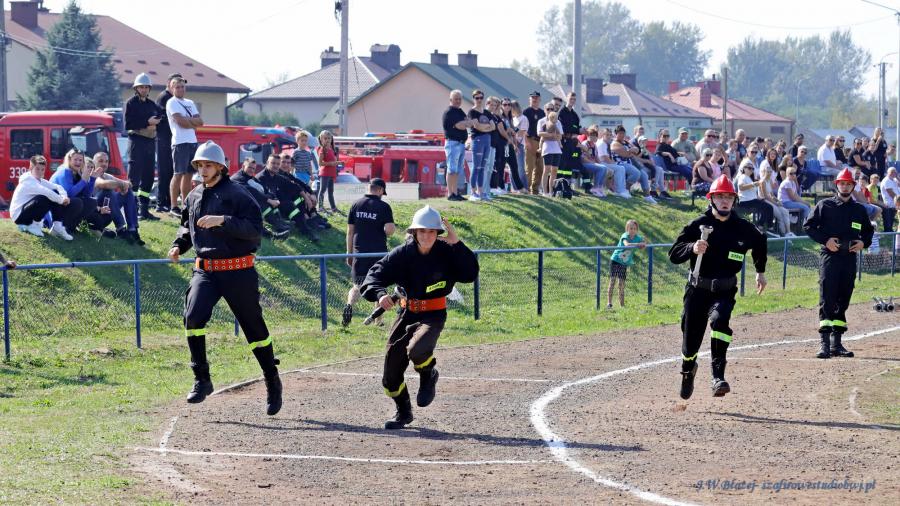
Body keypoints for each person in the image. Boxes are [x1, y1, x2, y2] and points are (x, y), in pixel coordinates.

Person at [167, 140, 282, 416]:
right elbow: (187, 229)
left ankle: (272, 380)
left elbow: (254, 229)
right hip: (206, 271)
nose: (203, 170)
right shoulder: (193, 196)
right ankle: (202, 379)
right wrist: (178, 245)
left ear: (220, 167)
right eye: (200, 165)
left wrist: (223, 220)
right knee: (193, 317)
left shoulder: (238, 194)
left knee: (254, 329)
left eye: (208, 165)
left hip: (238, 270)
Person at [360, 206, 479, 429]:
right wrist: (380, 294)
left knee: (418, 349)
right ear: (414, 232)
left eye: (432, 231)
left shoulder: (448, 251)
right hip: (406, 313)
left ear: (438, 233)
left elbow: (470, 274)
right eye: (422, 231)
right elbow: (374, 276)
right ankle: (403, 413)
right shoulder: (402, 254)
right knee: (390, 373)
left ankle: (428, 374)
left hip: (434, 314)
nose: (426, 236)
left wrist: (457, 244)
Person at [669, 175, 768, 399]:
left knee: (720, 321)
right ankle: (688, 370)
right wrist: (692, 248)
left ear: (734, 200)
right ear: (711, 199)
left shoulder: (743, 228)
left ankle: (717, 377)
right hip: (697, 290)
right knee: (690, 342)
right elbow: (674, 254)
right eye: (720, 196)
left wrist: (760, 271)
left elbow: (760, 241)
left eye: (729, 197)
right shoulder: (697, 225)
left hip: (724, 290)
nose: (725, 201)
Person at [803, 168, 874, 359]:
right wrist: (825, 240)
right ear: (837, 185)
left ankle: (837, 344)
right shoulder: (824, 205)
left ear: (853, 186)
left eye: (848, 184)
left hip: (849, 259)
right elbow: (808, 226)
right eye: (842, 183)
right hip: (830, 258)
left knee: (844, 297)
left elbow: (868, 231)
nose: (845, 186)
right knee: (828, 296)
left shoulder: (859, 209)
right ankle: (824, 344)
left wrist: (863, 243)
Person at [343, 178, 396, 327]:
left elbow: (350, 231)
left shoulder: (356, 204)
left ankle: (349, 305)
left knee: (357, 285)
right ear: (380, 190)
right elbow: (389, 230)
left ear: (369, 187)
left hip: (359, 253)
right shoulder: (384, 207)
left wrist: (349, 253)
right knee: (380, 286)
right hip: (378, 255)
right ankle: (378, 320)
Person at [10, 155, 80, 240]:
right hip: (19, 217)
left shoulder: (39, 180)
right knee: (44, 198)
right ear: (31, 168)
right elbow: (47, 192)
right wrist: (62, 200)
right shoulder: (28, 181)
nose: (40, 172)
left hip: (26, 212)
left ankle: (57, 226)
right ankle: (30, 225)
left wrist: (64, 197)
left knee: (53, 193)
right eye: (37, 169)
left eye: (42, 169)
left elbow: (58, 187)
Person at [125, 73, 164, 221]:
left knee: (148, 177)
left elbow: (161, 116)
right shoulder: (131, 104)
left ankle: (144, 210)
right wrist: (148, 123)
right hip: (136, 142)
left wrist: (158, 122)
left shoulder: (152, 105)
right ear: (136, 88)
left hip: (150, 143)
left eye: (146, 87)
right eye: (141, 87)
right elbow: (128, 124)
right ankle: (132, 209)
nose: (144, 89)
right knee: (134, 177)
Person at [166, 76, 203, 217]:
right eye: (177, 87)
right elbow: (181, 122)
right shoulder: (171, 102)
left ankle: (185, 205)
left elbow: (200, 122)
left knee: (189, 174)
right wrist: (191, 121)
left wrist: (188, 120)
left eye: (182, 86)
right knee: (178, 174)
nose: (181, 89)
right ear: (172, 88)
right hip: (180, 143)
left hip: (192, 142)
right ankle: (173, 206)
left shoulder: (190, 102)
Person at [230, 158, 292, 240]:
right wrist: (268, 200)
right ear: (243, 166)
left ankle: (280, 223)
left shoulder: (248, 177)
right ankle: (274, 235)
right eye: (249, 167)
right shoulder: (238, 177)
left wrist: (273, 197)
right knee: (258, 206)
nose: (251, 170)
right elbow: (250, 190)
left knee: (263, 200)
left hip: (242, 204)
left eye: (253, 168)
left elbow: (263, 188)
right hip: (233, 207)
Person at [93, 152, 144, 245]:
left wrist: (125, 185)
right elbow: (105, 184)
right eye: (101, 161)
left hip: (107, 212)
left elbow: (128, 184)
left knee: (128, 192)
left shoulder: (107, 176)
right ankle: (120, 229)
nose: (104, 164)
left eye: (106, 161)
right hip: (96, 215)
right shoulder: (93, 175)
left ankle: (133, 230)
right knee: (108, 191)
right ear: (94, 163)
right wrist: (121, 184)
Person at [154, 74, 180, 213]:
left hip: (172, 140)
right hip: (163, 140)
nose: (178, 87)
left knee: (172, 172)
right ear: (169, 83)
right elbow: (161, 118)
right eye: (176, 83)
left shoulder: (175, 99)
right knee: (164, 172)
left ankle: (170, 202)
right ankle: (161, 203)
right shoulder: (164, 97)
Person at [607, 219, 645, 308]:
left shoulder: (638, 237)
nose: (633, 230)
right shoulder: (625, 235)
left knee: (621, 284)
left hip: (624, 263)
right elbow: (626, 244)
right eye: (631, 228)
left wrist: (642, 244)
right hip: (615, 260)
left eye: (634, 229)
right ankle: (609, 303)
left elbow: (643, 245)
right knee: (612, 281)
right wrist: (638, 244)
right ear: (627, 229)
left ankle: (622, 305)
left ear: (637, 229)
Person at [442, 90, 472, 201]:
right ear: (451, 100)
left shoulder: (459, 111)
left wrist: (467, 123)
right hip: (452, 144)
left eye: (460, 99)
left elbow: (468, 122)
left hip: (460, 144)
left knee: (457, 170)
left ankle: (455, 193)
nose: (458, 101)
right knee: (452, 170)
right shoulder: (449, 113)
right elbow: (461, 125)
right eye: (456, 99)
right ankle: (450, 194)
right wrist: (466, 123)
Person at [467, 89, 495, 201]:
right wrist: (486, 127)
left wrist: (484, 128)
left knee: (483, 167)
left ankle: (481, 192)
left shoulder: (487, 112)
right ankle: (473, 192)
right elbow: (477, 126)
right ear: (473, 99)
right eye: (477, 98)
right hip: (477, 140)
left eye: (481, 98)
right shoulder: (472, 112)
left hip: (487, 140)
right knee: (476, 167)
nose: (479, 100)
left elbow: (493, 127)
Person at [735, 158, 772, 230]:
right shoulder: (742, 176)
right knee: (768, 207)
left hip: (752, 200)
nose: (751, 170)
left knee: (769, 207)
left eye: (752, 169)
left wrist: (759, 197)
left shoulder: (749, 178)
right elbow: (741, 187)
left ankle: (767, 226)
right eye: (749, 168)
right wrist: (753, 184)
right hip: (745, 201)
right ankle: (763, 225)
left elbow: (752, 192)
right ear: (744, 169)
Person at [758, 162, 793, 237]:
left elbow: (772, 195)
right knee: (779, 215)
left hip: (771, 200)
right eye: (768, 171)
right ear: (764, 172)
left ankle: (788, 232)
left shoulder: (769, 180)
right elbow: (765, 196)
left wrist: (777, 201)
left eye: (770, 172)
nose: (769, 173)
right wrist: (776, 203)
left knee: (785, 211)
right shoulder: (762, 181)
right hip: (764, 201)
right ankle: (783, 233)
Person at [523, 91, 546, 195]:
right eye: (533, 98)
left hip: (540, 141)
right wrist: (526, 141)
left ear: (540, 99)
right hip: (530, 140)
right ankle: (527, 189)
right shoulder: (526, 112)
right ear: (530, 99)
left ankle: (535, 190)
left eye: (536, 98)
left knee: (540, 167)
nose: (535, 99)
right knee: (530, 167)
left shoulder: (542, 113)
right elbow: (523, 128)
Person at [557, 91, 582, 183]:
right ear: (566, 98)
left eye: (574, 99)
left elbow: (576, 127)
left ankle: (567, 185)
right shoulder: (562, 112)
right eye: (571, 99)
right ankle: (558, 184)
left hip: (572, 143)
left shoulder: (575, 115)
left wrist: (578, 130)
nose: (572, 101)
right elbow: (564, 128)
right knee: (562, 164)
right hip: (563, 142)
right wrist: (576, 130)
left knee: (569, 164)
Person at [537, 107, 563, 195]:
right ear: (545, 110)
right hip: (547, 147)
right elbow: (540, 133)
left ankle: (551, 191)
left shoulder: (558, 122)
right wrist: (551, 135)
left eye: (552, 109)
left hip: (556, 148)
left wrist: (551, 136)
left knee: (554, 170)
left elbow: (560, 136)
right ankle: (544, 191)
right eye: (548, 109)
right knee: (546, 169)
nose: (550, 111)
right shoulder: (542, 121)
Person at [316, 130, 341, 213]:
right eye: (325, 138)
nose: (327, 140)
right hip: (324, 173)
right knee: (322, 190)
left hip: (331, 173)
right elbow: (320, 163)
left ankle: (333, 208)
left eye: (329, 138)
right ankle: (320, 207)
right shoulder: (322, 149)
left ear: (331, 139)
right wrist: (331, 163)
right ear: (321, 139)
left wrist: (338, 162)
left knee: (331, 191)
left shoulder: (332, 149)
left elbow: (333, 161)